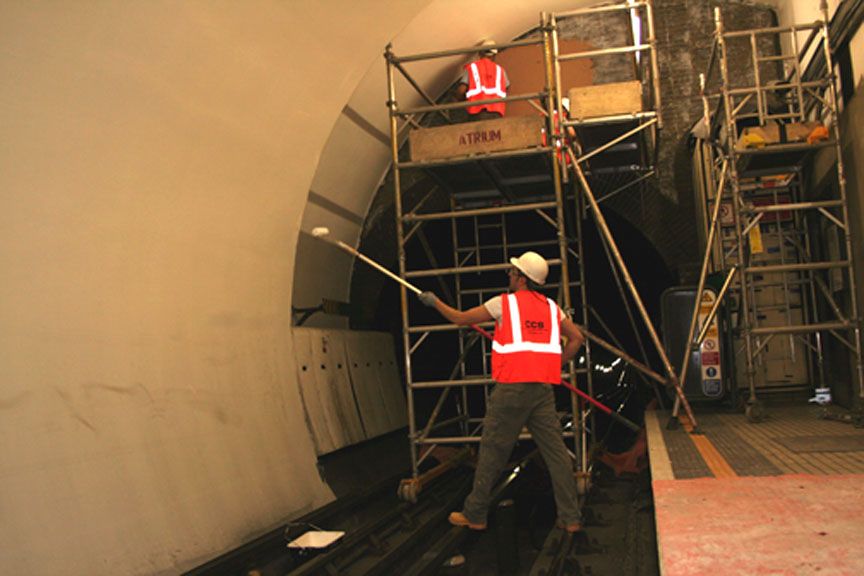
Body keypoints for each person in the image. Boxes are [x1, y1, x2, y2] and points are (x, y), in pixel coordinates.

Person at [418, 251, 585, 533]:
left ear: (522, 278)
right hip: (542, 390)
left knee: (493, 452)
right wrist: (555, 363)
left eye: (512, 271)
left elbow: (460, 319)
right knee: (556, 455)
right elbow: (577, 338)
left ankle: (475, 514)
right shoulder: (551, 307)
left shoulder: (503, 304)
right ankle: (571, 519)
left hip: (511, 391)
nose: (509, 274)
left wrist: (435, 303)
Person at [456, 40, 510, 121]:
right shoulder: (501, 70)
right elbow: (506, 90)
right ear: (494, 55)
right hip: (496, 113)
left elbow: (461, 91)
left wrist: (462, 99)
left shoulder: (472, 68)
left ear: (480, 53)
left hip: (476, 112)